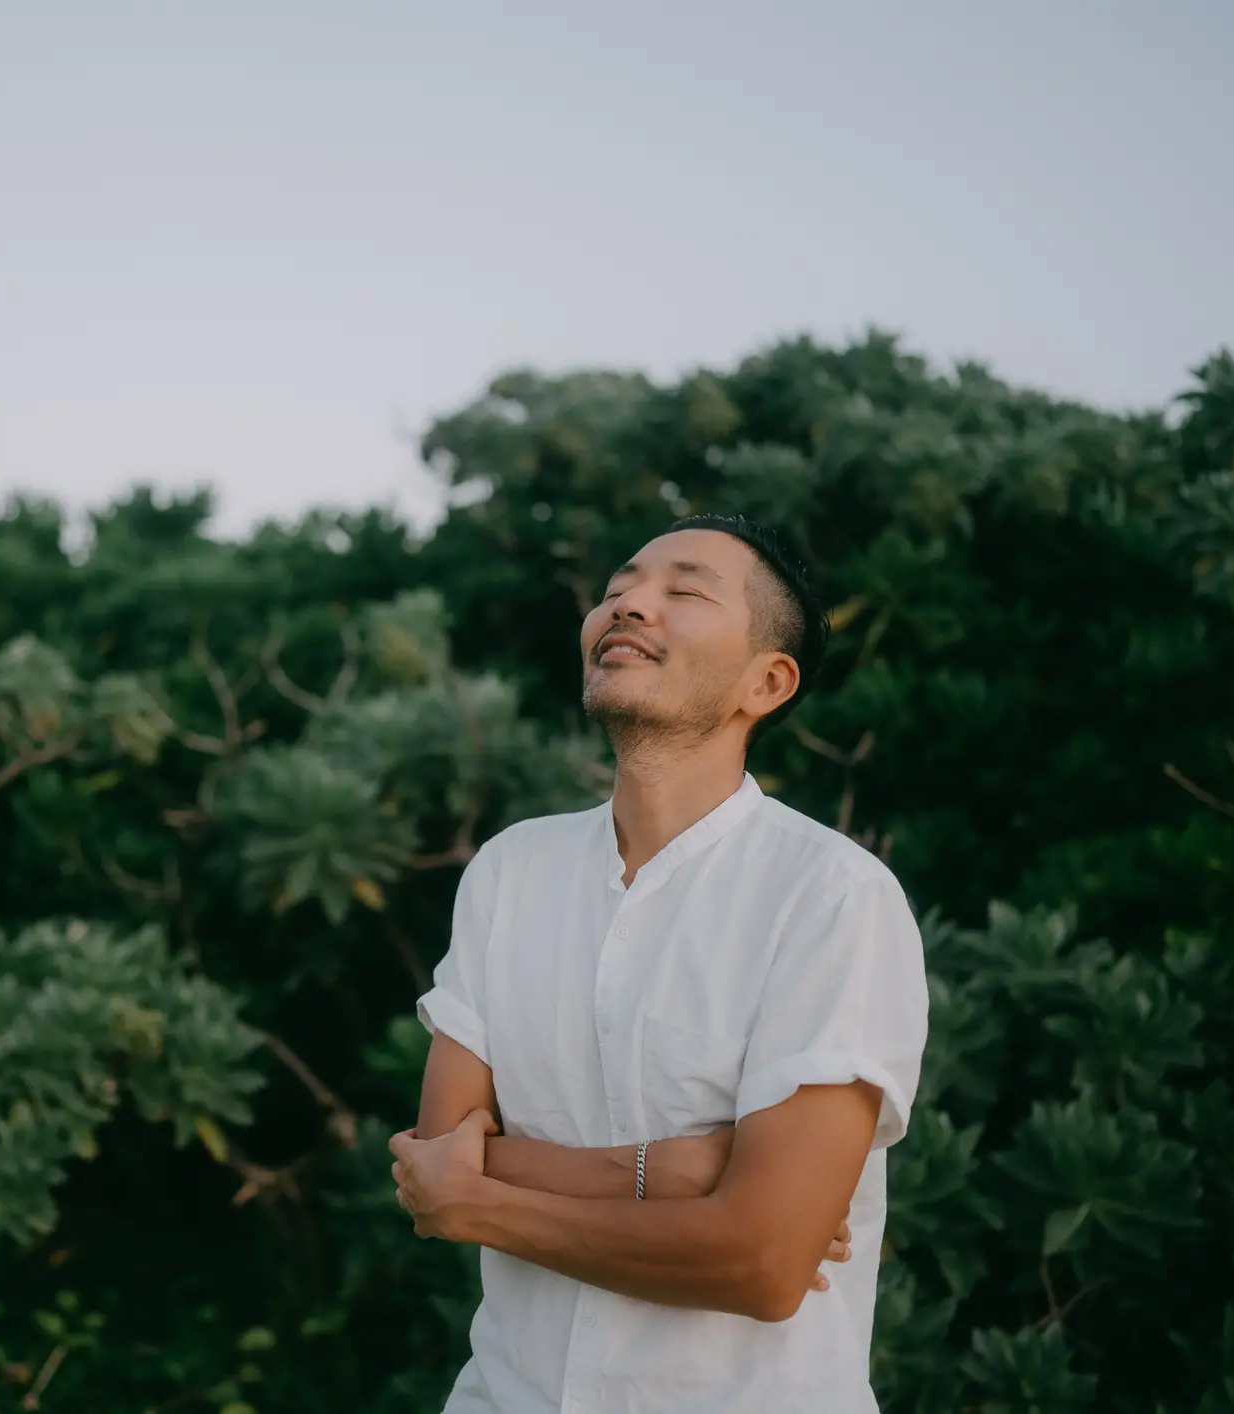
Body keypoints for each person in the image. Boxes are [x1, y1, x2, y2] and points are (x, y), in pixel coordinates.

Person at [390, 514, 930, 1413]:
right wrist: (667, 1174)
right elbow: (435, 1153)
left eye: (683, 592)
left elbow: (762, 1264)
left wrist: (481, 1199)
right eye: (615, 590)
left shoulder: (833, 896)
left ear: (767, 681)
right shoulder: (511, 870)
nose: (628, 605)